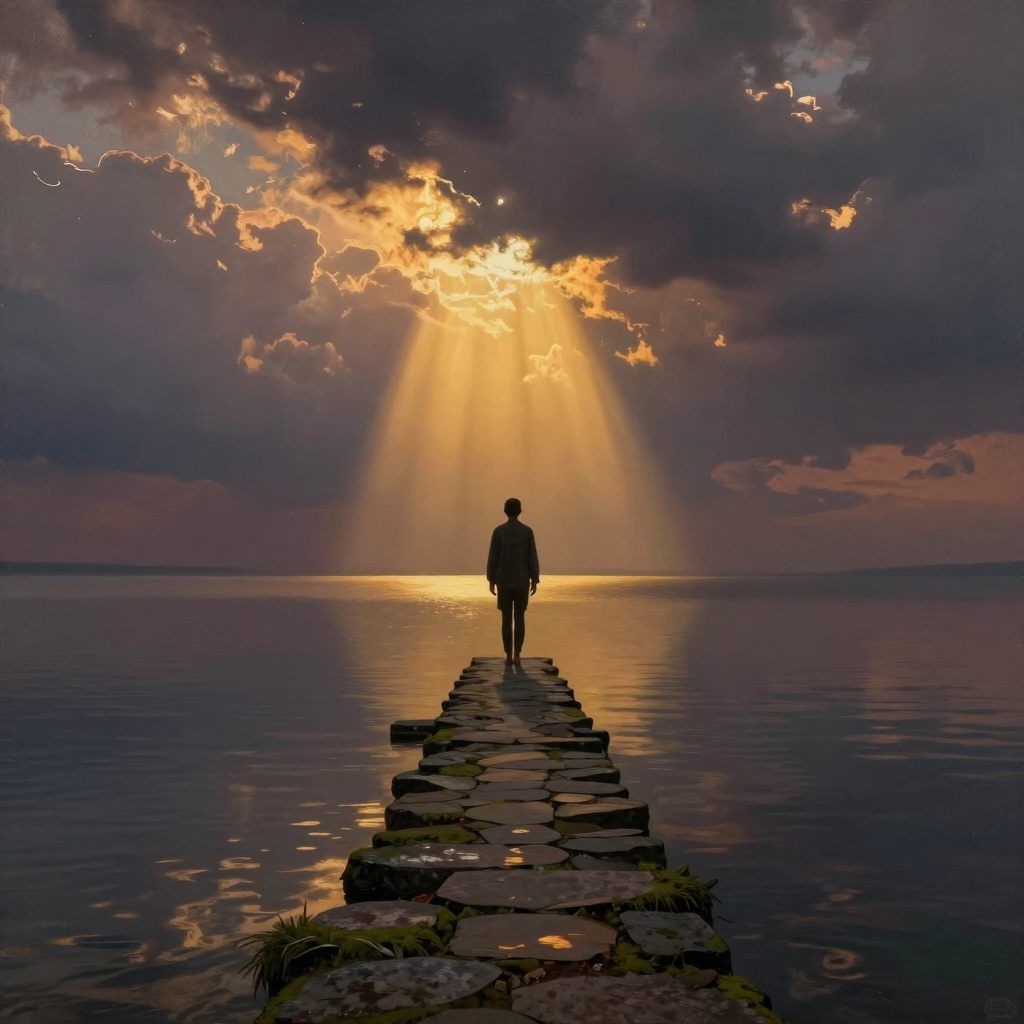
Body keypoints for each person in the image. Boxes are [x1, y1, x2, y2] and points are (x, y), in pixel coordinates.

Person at [486, 498, 540, 668]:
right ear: (520, 511)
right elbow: (532, 557)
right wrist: (534, 578)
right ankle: (517, 654)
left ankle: (508, 655)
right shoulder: (527, 532)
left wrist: (491, 579)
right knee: (520, 617)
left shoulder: (499, 532)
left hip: (504, 582)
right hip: (522, 581)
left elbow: (492, 557)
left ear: (505, 511)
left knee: (506, 619)